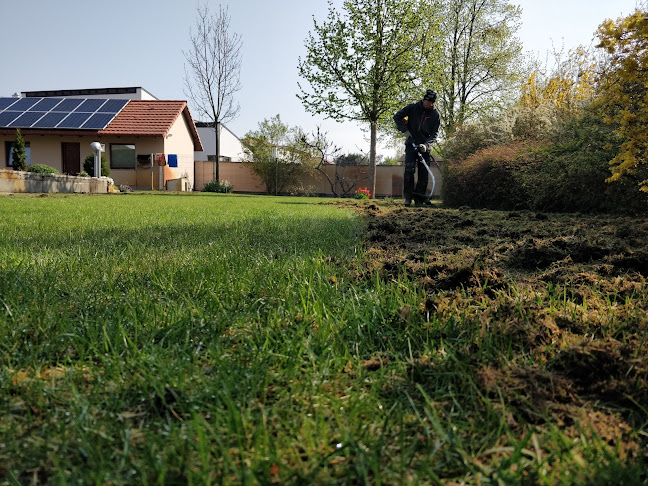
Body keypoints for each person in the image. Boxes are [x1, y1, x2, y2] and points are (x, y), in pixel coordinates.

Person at [393, 89, 441, 206]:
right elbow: (397, 117)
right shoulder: (413, 108)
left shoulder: (435, 115)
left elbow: (434, 134)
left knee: (423, 174)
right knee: (409, 171)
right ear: (424, 99)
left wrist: (426, 145)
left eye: (433, 102)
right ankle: (408, 198)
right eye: (429, 101)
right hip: (411, 144)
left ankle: (419, 199)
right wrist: (405, 131)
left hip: (424, 147)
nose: (431, 104)